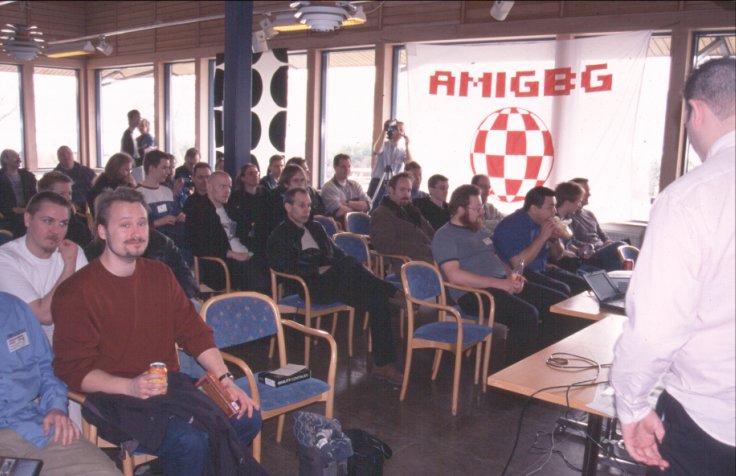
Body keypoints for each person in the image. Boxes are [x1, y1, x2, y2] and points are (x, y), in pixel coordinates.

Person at [52, 187, 266, 476]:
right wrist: (129, 386)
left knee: (246, 417)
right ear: (102, 231)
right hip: (113, 395)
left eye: (141, 223)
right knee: (189, 441)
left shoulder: (159, 274)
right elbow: (73, 370)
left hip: (168, 387)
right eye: (125, 225)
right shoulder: (76, 292)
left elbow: (194, 332)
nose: (136, 232)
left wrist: (225, 380)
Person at [611, 57, 735, 475]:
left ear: (695, 111)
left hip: (710, 426)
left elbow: (654, 331)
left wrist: (631, 406)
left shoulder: (691, 198)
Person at [267, 188, 403, 385]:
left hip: (336, 280)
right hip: (310, 287)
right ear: (288, 207)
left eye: (309, 205)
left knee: (376, 300)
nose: (307, 210)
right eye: (301, 205)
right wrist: (316, 268)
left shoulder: (316, 228)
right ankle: (393, 292)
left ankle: (383, 365)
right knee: (350, 266)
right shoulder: (280, 234)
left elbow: (337, 253)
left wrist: (341, 265)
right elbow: (283, 267)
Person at [431, 185, 570, 365]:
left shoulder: (478, 230)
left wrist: (512, 276)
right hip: (472, 293)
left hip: (498, 283)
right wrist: (499, 284)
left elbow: (495, 258)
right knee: (526, 315)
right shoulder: (445, 236)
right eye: (478, 208)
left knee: (554, 302)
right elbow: (455, 276)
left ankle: (539, 360)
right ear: (460, 209)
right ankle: (513, 375)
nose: (482, 212)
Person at [0, 292, 121, 476]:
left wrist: (55, 407)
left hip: (35, 426)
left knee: (103, 472)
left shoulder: (12, 308)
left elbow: (48, 367)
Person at [0, 191, 87, 343]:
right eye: (48, 221)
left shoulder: (72, 251)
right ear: (28, 219)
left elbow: (89, 307)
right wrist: (69, 267)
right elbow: (45, 316)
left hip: (73, 344)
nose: (55, 231)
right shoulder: (6, 259)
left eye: (63, 223)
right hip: (28, 354)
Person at [493, 186, 588, 297]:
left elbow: (558, 255)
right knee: (561, 293)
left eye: (555, 206)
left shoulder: (542, 221)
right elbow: (518, 264)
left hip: (542, 268)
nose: (555, 211)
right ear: (533, 209)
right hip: (520, 275)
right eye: (550, 207)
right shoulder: (511, 225)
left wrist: (554, 239)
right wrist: (542, 237)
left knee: (583, 285)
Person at [186, 171, 268, 293]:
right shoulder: (199, 211)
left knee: (268, 264)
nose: (227, 191)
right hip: (220, 262)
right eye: (222, 186)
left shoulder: (230, 207)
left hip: (242, 253)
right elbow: (200, 245)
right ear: (209, 186)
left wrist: (252, 250)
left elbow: (245, 232)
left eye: (229, 187)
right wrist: (232, 254)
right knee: (258, 281)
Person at [370, 172, 434, 263]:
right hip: (408, 261)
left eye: (409, 190)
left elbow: (431, 233)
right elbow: (383, 245)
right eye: (402, 190)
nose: (406, 194)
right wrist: (418, 247)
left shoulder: (413, 211)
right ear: (391, 190)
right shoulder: (381, 214)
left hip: (428, 255)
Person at [568, 177, 628, 271]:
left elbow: (602, 235)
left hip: (601, 249)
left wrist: (608, 242)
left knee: (625, 245)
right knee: (620, 245)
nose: (589, 194)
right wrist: (597, 246)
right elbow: (572, 242)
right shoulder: (569, 216)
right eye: (586, 191)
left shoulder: (589, 213)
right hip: (590, 253)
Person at [137, 150, 186, 249]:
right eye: (164, 168)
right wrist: (159, 222)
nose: (168, 172)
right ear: (151, 168)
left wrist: (181, 216)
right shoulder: (137, 194)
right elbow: (135, 226)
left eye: (169, 168)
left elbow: (176, 213)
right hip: (151, 246)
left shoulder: (167, 191)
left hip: (173, 243)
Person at [37, 171, 93, 248]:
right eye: (62, 194)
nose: (68, 198)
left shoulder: (79, 227)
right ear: (45, 196)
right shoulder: (36, 226)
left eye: (69, 193)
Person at [226, 163, 269, 257]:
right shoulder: (235, 197)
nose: (255, 176)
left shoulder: (265, 194)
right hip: (244, 237)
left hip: (263, 236)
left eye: (256, 173)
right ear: (242, 178)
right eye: (250, 173)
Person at [367, 119, 412, 198]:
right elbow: (376, 150)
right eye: (398, 129)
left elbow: (409, 163)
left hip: (392, 184)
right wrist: (385, 130)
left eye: (402, 130)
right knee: (372, 206)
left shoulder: (401, 150)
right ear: (392, 130)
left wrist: (407, 146)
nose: (400, 132)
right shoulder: (384, 145)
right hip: (378, 181)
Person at [320, 154, 370, 220]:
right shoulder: (329, 188)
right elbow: (339, 212)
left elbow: (368, 205)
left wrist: (347, 203)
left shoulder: (356, 185)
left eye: (349, 167)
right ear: (335, 167)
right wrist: (359, 208)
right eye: (343, 167)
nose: (347, 169)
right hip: (340, 226)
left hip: (359, 223)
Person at [0, 149, 37, 237]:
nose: (19, 159)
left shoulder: (27, 176)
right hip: (8, 215)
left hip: (29, 211)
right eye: (15, 157)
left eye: (18, 156)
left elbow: (36, 195)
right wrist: (12, 209)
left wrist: (30, 208)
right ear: (5, 159)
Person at [53, 145, 96, 213]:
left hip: (89, 209)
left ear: (73, 155)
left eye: (68, 153)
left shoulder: (88, 172)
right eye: (62, 155)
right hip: (66, 211)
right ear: (58, 158)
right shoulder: (53, 177)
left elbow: (96, 191)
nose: (66, 157)